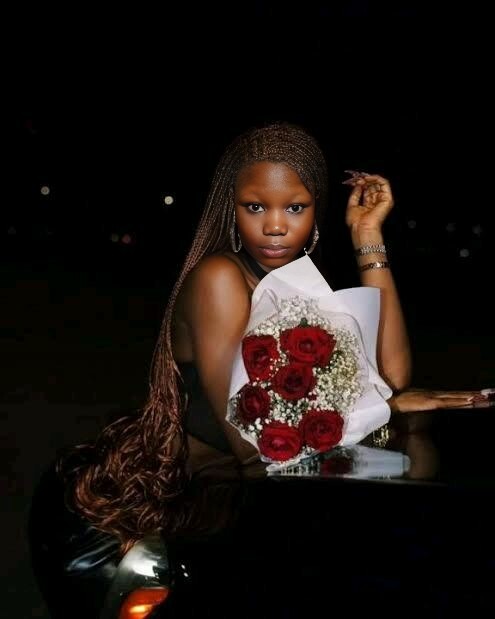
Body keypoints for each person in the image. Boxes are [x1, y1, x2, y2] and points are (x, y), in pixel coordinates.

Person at [30, 123, 489, 618]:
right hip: (147, 518)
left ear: (316, 211)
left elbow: (391, 376)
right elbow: (251, 443)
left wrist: (367, 236)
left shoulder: (302, 287)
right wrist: (387, 407)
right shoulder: (219, 279)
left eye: (295, 207)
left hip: (240, 501)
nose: (274, 226)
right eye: (255, 207)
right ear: (231, 208)